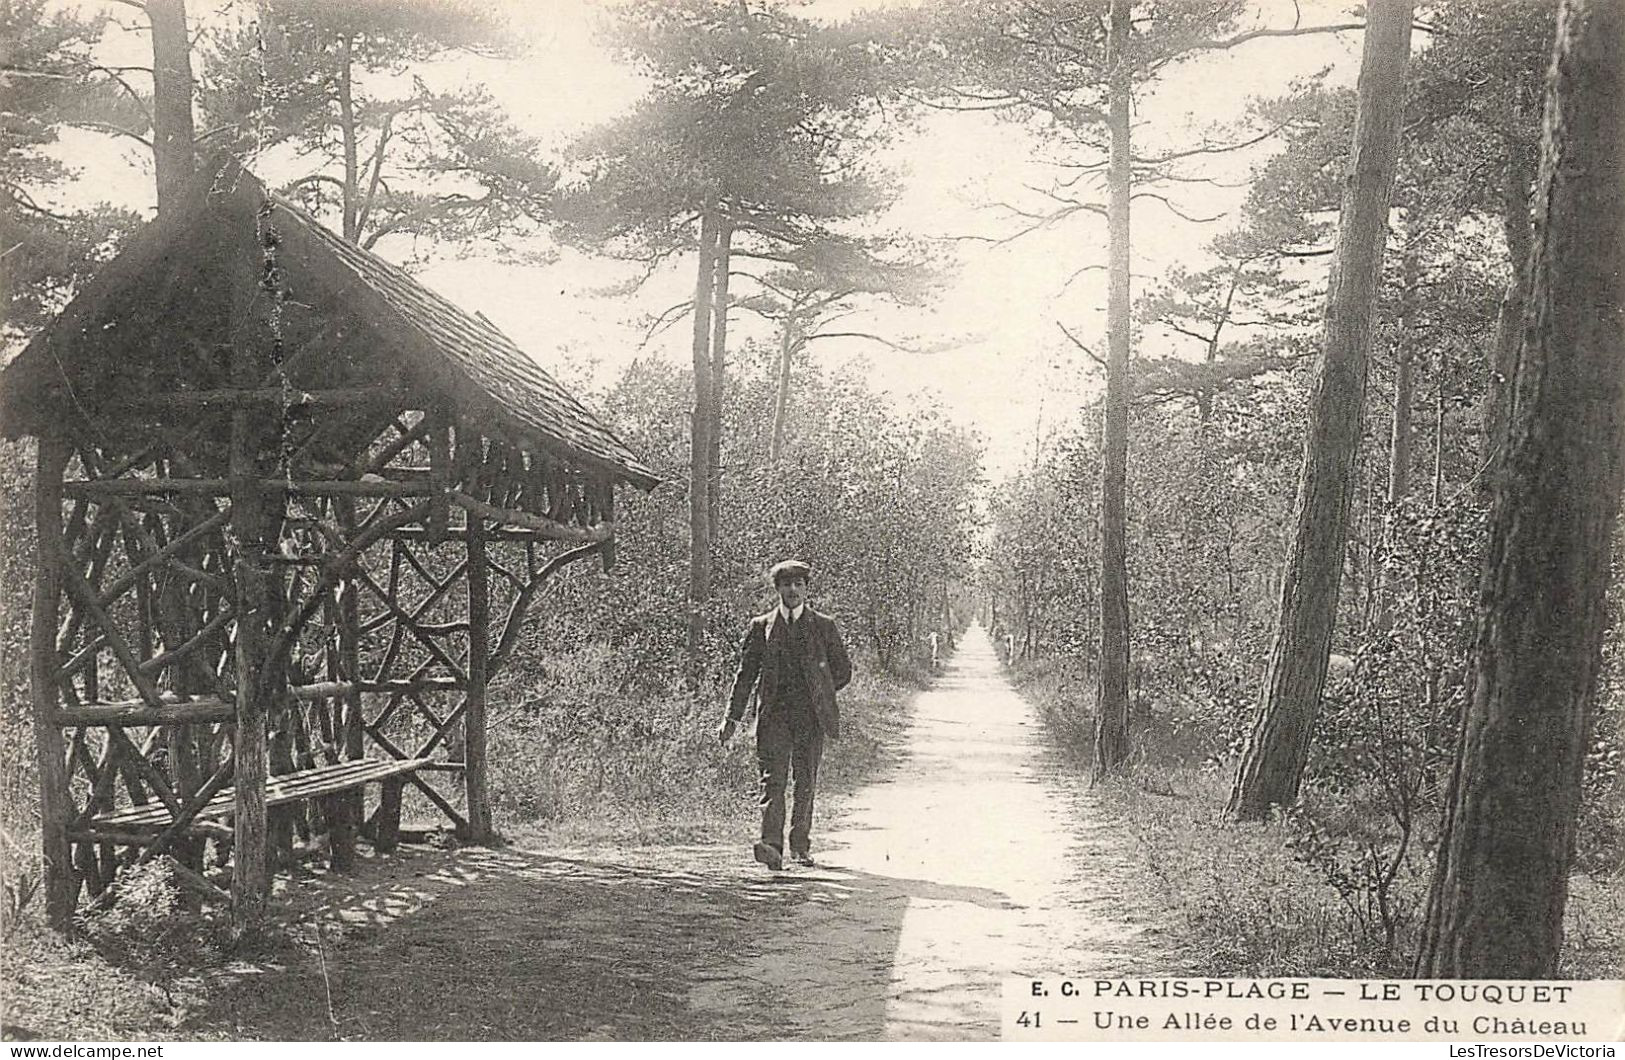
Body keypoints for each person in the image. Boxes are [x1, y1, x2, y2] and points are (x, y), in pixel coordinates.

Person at [718, 559, 853, 870]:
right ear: (777, 589)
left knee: (805, 781)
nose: (793, 590)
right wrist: (731, 719)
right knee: (773, 782)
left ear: (805, 589)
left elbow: (843, 670)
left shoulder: (823, 626)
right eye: (786, 584)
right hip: (774, 718)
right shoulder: (761, 627)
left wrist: (822, 691)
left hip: (810, 718)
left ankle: (801, 846)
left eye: (798, 584)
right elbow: (745, 676)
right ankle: (772, 846)